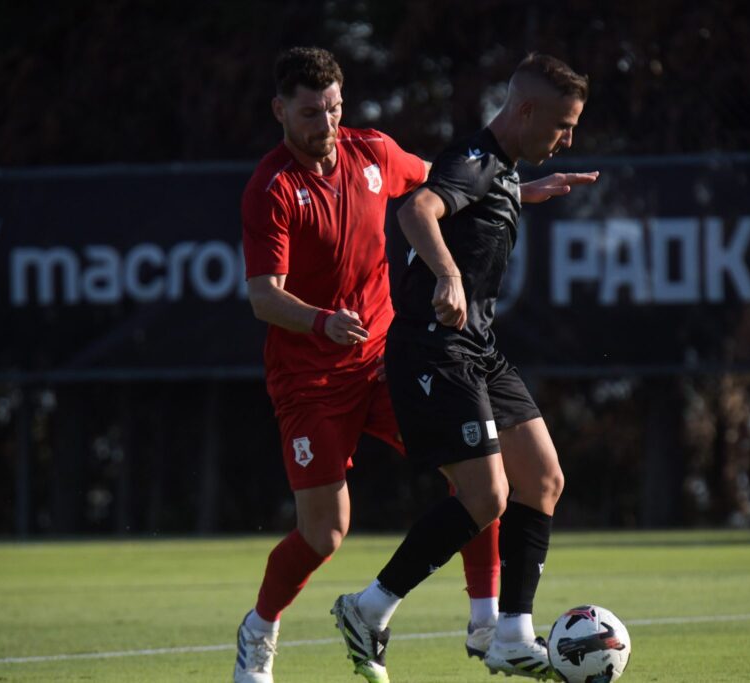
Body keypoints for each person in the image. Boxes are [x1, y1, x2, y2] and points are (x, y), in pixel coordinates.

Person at [235, 46, 506, 683]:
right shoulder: (272, 188)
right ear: (280, 111)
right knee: (325, 534)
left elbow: (443, 185)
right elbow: (263, 296)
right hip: (310, 382)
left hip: (387, 361)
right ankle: (259, 630)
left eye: (333, 108)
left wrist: (518, 188)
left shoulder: (373, 152)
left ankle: (488, 623)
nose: (326, 123)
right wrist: (322, 321)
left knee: (477, 478)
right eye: (310, 112)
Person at [332, 53, 597, 682]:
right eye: (562, 125)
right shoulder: (474, 158)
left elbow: (474, 199)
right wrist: (447, 275)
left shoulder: (498, 170)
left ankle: (512, 636)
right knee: (487, 496)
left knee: (544, 479)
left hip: (478, 348)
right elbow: (416, 210)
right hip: (434, 351)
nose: (567, 139)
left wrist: (522, 193)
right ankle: (368, 608)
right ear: (525, 110)